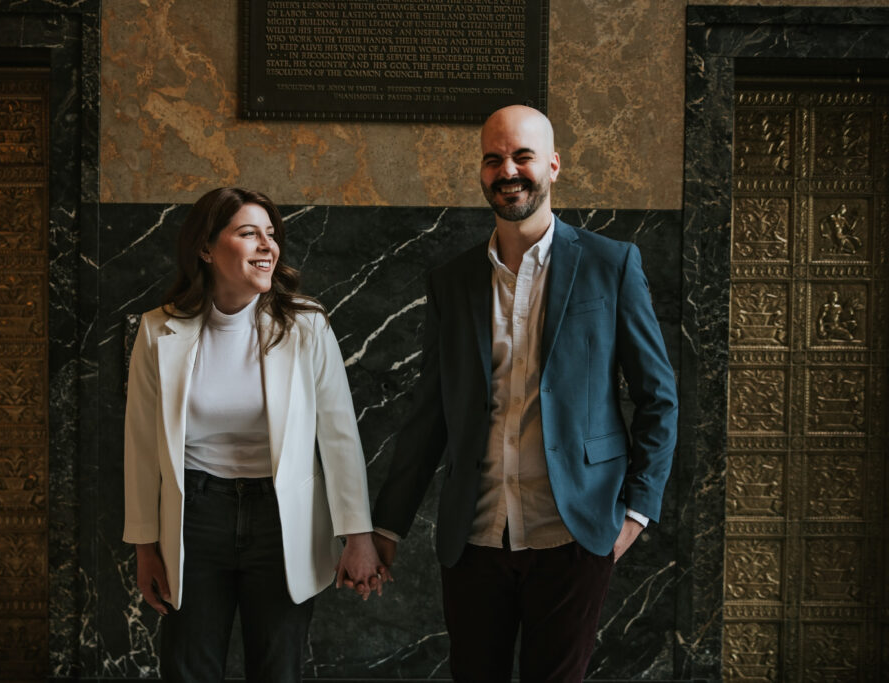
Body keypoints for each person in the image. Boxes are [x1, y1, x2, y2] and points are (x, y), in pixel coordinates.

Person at [372, 105, 679, 682]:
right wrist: (387, 526)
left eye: (522, 156)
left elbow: (658, 396)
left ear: (554, 165)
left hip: (575, 532)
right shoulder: (452, 281)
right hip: (476, 535)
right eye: (493, 159)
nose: (507, 170)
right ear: (481, 172)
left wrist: (635, 511)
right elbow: (429, 414)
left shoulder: (611, 266)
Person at [123, 187, 384, 682]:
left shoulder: (307, 326)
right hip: (194, 519)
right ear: (206, 247)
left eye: (272, 234)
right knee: (187, 669)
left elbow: (339, 437)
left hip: (282, 519)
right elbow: (139, 446)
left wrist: (358, 536)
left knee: (277, 670)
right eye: (249, 234)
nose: (268, 246)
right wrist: (145, 545)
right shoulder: (158, 331)